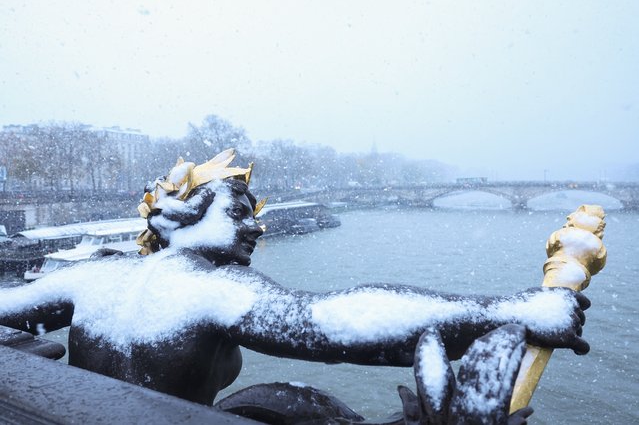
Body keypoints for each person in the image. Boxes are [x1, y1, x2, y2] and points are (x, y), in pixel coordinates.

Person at [0, 150, 590, 408]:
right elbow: (338, 323)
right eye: (239, 211)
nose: (256, 227)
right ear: (179, 217)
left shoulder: (94, 278)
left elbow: (9, 305)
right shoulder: (211, 287)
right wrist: (512, 312)